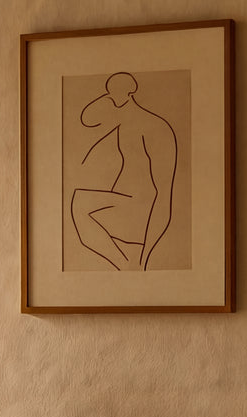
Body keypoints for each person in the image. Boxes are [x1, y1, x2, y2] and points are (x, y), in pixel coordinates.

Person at [70, 72, 177, 271]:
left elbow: (164, 191)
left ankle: (130, 266)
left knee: (80, 204)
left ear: (130, 93)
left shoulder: (155, 127)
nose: (113, 97)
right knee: (78, 202)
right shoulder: (124, 121)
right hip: (123, 203)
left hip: (141, 210)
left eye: (118, 92)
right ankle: (125, 265)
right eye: (111, 93)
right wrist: (109, 97)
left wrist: (147, 251)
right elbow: (87, 118)